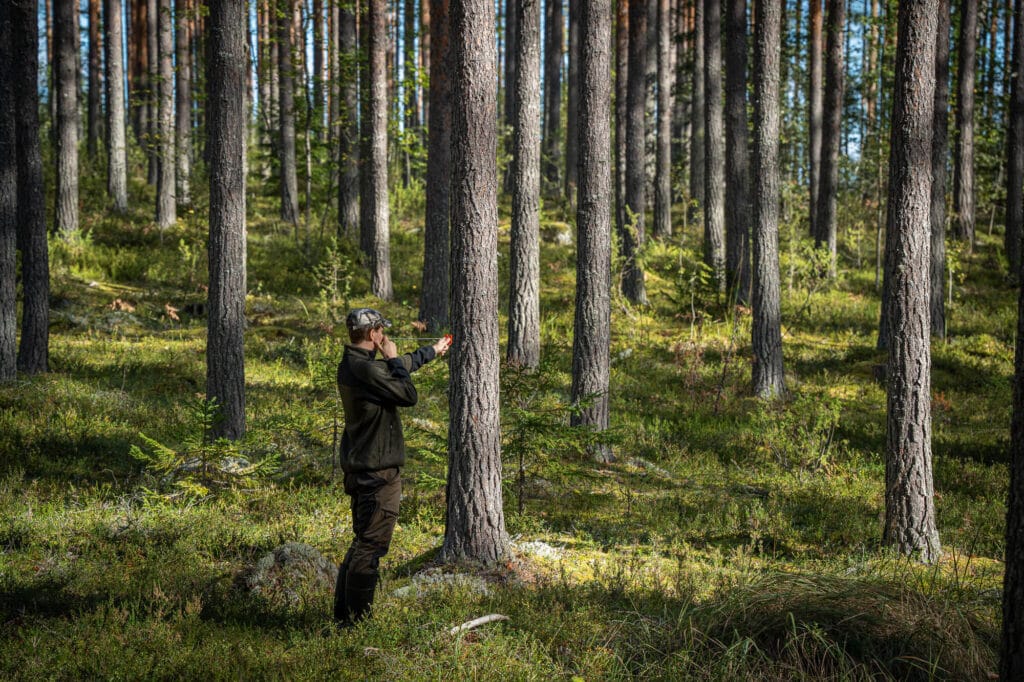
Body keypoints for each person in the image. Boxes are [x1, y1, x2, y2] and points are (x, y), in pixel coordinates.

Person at [333, 307, 451, 627]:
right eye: (381, 331)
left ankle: (344, 617)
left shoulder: (355, 364)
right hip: (377, 473)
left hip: (365, 469)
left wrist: (431, 352)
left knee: (362, 542)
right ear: (373, 334)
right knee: (370, 546)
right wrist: (395, 358)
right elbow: (407, 393)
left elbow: (396, 371)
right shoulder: (367, 371)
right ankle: (355, 623)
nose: (385, 336)